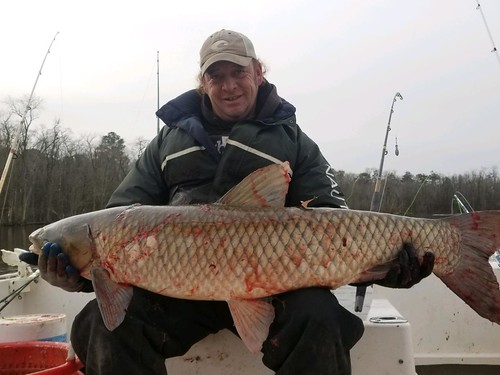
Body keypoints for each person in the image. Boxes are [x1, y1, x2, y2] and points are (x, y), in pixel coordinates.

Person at [33, 29, 435, 374]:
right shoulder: (166, 145)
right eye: (216, 75)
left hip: (277, 285)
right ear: (202, 82)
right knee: (102, 325)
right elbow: (119, 219)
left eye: (238, 72)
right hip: (177, 288)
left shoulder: (293, 142)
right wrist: (78, 276)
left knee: (320, 318)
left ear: (258, 73)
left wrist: (386, 267)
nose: (228, 85)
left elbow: (334, 221)